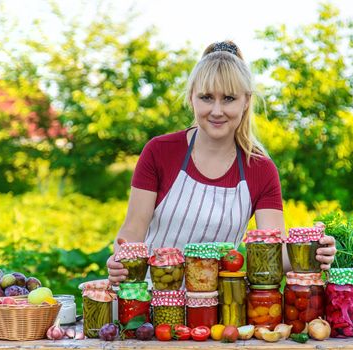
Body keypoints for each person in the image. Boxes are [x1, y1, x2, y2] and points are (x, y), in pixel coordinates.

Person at [107, 40, 336, 284]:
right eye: (206, 97)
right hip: (148, 304)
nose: (217, 111)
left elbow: (273, 254)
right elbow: (133, 230)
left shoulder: (260, 169)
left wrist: (313, 250)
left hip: (218, 313)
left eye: (228, 98)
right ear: (191, 98)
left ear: (246, 101)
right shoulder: (160, 151)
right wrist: (121, 257)